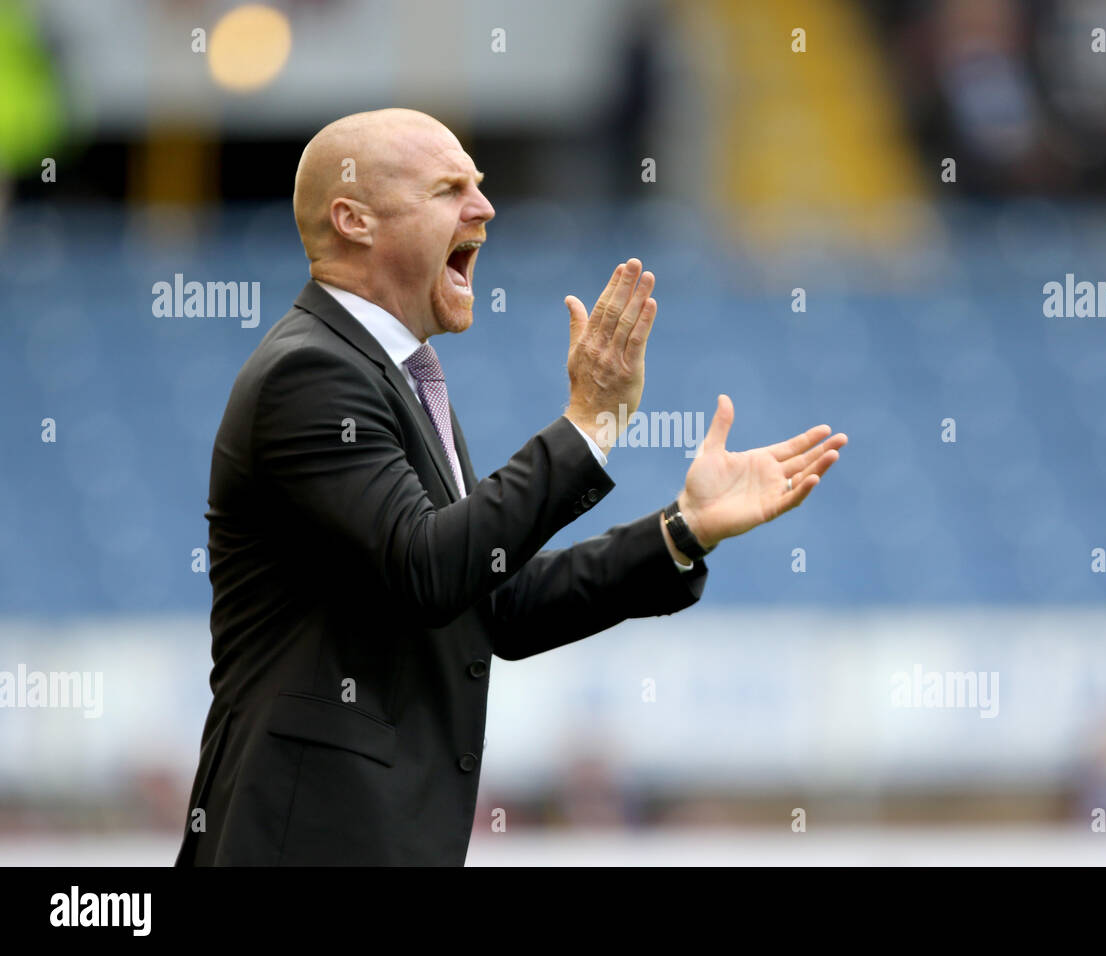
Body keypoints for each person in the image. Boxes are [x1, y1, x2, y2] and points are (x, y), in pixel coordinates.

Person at [176, 108, 847, 865]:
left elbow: (492, 603)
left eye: (481, 185)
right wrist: (588, 425)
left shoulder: (396, 377)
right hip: (303, 842)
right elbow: (428, 569)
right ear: (354, 219)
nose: (484, 208)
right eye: (449, 189)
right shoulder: (313, 374)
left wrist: (684, 529)